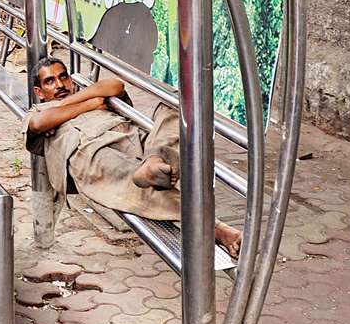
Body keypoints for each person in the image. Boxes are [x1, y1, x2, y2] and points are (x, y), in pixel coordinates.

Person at [23, 56, 242, 258]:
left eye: (63, 77)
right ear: (39, 92)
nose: (60, 85)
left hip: (133, 136)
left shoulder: (87, 92)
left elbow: (115, 85)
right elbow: (39, 123)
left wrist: (74, 102)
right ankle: (214, 227)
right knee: (136, 183)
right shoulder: (37, 111)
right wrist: (91, 103)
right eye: (49, 81)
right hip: (91, 152)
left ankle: (155, 160)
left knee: (177, 101)